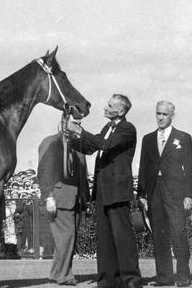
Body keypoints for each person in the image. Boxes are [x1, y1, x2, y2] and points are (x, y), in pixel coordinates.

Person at [65, 94, 142, 288]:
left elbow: (105, 145)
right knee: (105, 239)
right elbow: (92, 147)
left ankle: (131, 280)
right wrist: (72, 137)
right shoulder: (107, 128)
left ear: (121, 111)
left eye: (109, 106)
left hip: (117, 190)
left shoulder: (127, 129)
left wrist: (79, 130)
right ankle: (108, 280)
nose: (105, 108)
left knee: (122, 237)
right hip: (102, 191)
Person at [137, 101, 192, 287]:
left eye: (164, 114)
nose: (160, 117)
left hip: (176, 193)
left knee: (178, 233)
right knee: (159, 235)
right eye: (158, 114)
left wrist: (189, 195)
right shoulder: (147, 139)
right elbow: (143, 167)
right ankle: (164, 277)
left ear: (172, 115)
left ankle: (183, 275)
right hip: (154, 192)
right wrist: (142, 194)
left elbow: (190, 169)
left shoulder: (183, 138)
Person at [38, 118, 90, 285]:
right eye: (75, 123)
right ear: (64, 121)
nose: (79, 127)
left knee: (67, 239)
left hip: (76, 199)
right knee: (66, 237)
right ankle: (65, 275)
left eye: (80, 123)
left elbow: (83, 174)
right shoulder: (51, 142)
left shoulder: (78, 145)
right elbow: (44, 171)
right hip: (59, 198)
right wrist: (48, 196)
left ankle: (56, 273)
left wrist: (85, 199)